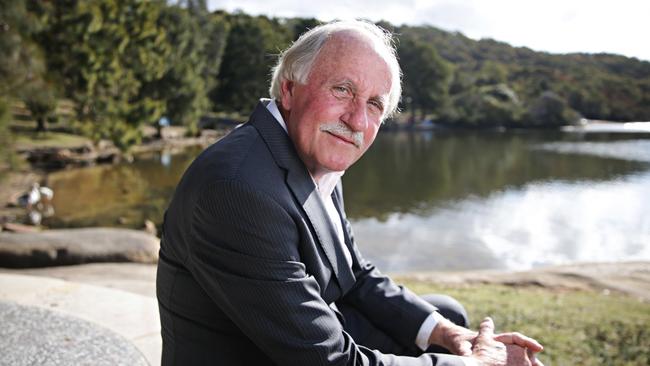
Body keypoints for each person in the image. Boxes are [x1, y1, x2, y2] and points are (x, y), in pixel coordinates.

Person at [156, 20, 543, 366]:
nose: (357, 120)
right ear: (289, 90)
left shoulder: (312, 155)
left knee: (447, 317)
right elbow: (331, 362)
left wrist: (447, 333)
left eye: (374, 104)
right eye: (342, 90)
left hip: (306, 335)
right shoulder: (238, 190)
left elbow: (353, 274)